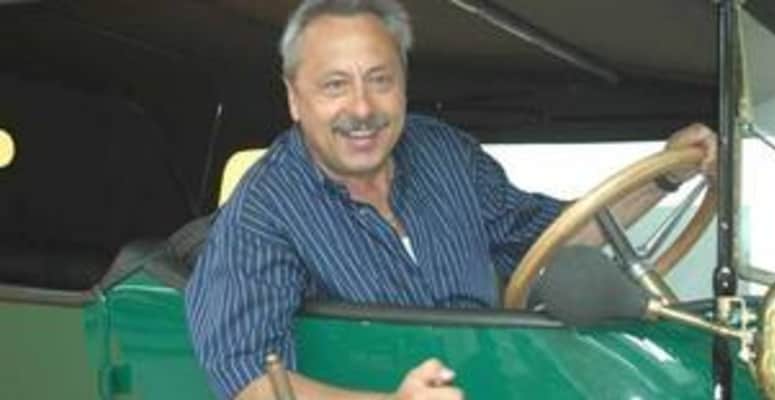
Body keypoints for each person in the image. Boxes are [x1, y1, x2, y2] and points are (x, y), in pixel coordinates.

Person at [184, 1, 717, 399]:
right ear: (295, 98)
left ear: (403, 84)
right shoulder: (264, 211)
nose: (362, 108)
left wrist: (662, 177)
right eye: (335, 86)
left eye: (380, 80)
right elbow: (251, 381)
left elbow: (544, 240)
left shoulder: (443, 152)